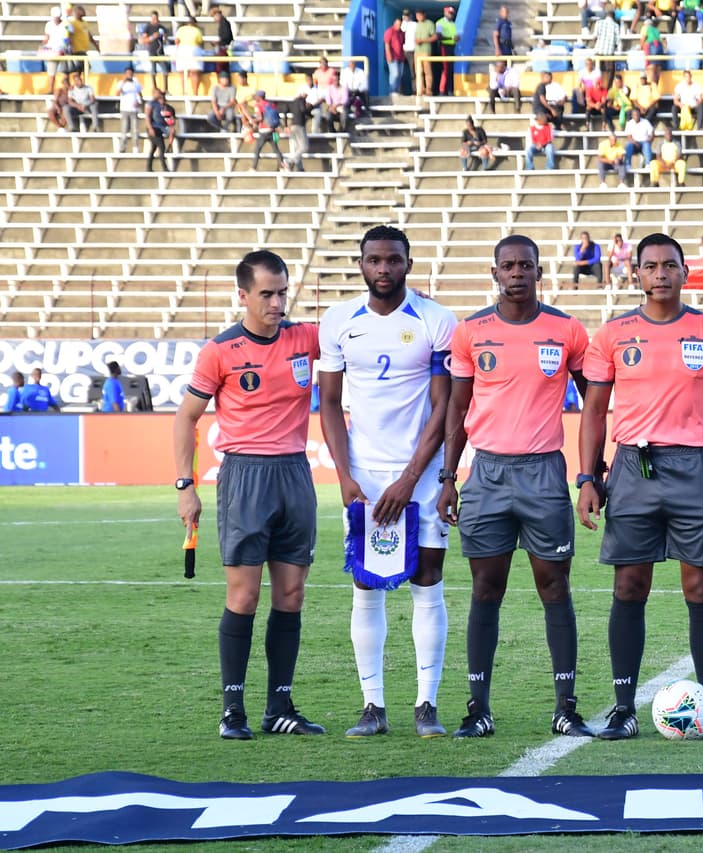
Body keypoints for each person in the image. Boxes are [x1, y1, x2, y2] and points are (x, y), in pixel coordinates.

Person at [577, 232, 703, 741]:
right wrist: (588, 477)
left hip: (695, 469)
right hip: (633, 468)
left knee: (701, 586)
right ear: (638, 274)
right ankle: (624, 708)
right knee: (629, 587)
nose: (660, 274)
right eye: (650, 266)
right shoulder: (612, 334)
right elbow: (594, 411)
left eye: (670, 265)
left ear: (683, 272)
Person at [435, 234, 595, 740]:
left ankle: (565, 707)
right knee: (486, 589)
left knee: (554, 587)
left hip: (545, 474)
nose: (518, 273)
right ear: (495, 273)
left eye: (526, 265)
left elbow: (595, 403)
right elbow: (457, 411)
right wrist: (448, 478)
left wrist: (596, 468)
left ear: (539, 271)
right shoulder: (471, 332)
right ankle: (477, 708)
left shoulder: (567, 330)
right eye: (508, 266)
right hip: (486, 474)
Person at [173, 249, 324, 740]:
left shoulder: (306, 337)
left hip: (295, 474)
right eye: (267, 294)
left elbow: (360, 328)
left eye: (283, 292)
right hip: (244, 478)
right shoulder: (220, 351)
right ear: (243, 295)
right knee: (244, 594)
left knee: (292, 594)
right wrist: (185, 485)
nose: (278, 302)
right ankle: (232, 710)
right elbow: (186, 418)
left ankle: (279, 707)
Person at [316, 225, 456, 741]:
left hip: (417, 473)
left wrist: (413, 478)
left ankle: (426, 704)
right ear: (361, 265)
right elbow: (329, 403)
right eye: (374, 260)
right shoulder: (337, 321)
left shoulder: (435, 319)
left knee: (428, 582)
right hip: (366, 478)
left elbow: (445, 407)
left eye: (393, 260)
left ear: (408, 263)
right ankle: (372, 705)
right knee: (366, 585)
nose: (383, 269)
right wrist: (346, 476)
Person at [249, 90, 285, 171]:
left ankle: (253, 168)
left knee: (257, 149)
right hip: (273, 130)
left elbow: (260, 118)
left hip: (263, 131)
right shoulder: (272, 104)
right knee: (276, 149)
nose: (255, 98)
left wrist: (252, 121)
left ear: (259, 97)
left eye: (256, 96)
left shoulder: (258, 105)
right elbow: (277, 117)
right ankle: (282, 166)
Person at [144, 89, 177, 172]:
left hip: (160, 128)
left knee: (154, 148)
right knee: (161, 147)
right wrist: (150, 128)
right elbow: (147, 117)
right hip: (153, 128)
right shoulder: (151, 104)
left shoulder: (163, 106)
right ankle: (164, 168)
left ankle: (149, 167)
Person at [140, 11, 170, 93]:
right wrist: (153, 37)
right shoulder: (148, 27)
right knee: (153, 71)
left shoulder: (161, 27)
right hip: (152, 51)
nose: (155, 20)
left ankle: (166, 89)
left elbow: (166, 39)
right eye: (153, 18)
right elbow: (144, 40)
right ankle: (155, 89)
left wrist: (164, 36)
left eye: (156, 18)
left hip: (160, 51)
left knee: (165, 70)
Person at [174, 15, 204, 97]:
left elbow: (176, 41)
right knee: (194, 73)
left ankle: (183, 92)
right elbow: (200, 43)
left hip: (182, 50)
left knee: (182, 73)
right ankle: (195, 93)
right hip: (193, 50)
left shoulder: (181, 29)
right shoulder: (197, 30)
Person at [435, 5, 458, 96]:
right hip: (444, 47)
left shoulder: (453, 24)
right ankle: (442, 90)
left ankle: (450, 90)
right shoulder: (440, 23)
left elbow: (454, 36)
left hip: (452, 47)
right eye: (449, 13)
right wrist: (451, 37)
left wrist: (456, 38)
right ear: (445, 13)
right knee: (446, 69)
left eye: (452, 14)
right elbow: (438, 36)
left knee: (451, 69)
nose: (451, 15)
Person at [384, 16, 406, 97]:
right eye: (397, 24)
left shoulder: (401, 33)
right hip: (393, 57)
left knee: (400, 75)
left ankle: (396, 91)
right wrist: (389, 55)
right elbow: (387, 44)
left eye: (400, 24)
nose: (399, 26)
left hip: (400, 57)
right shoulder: (390, 31)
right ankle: (392, 91)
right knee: (394, 74)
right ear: (394, 24)